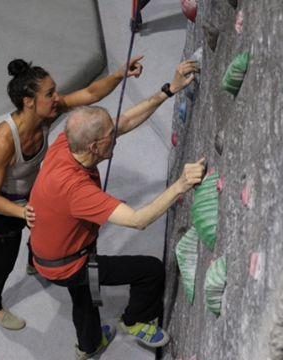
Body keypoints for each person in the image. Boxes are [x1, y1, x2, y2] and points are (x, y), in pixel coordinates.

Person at [29, 60, 203, 359]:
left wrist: (168, 90)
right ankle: (134, 320)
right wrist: (181, 184)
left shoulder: (66, 142)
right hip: (68, 262)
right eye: (110, 134)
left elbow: (124, 122)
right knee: (149, 271)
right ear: (96, 147)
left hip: (45, 252)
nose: (117, 133)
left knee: (82, 297)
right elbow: (138, 221)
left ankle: (89, 346)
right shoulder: (77, 190)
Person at [0, 56, 144, 330]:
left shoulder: (48, 112)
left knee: (45, 237)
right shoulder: (2, 141)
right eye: (50, 93)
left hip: (32, 199)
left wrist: (119, 75)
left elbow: (91, 94)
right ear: (28, 101)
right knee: (3, 264)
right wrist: (23, 212)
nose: (57, 97)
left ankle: (34, 261)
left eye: (55, 90)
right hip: (5, 211)